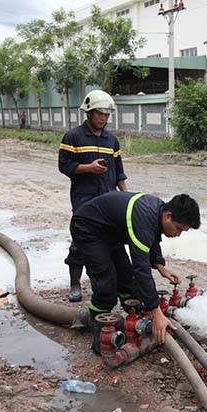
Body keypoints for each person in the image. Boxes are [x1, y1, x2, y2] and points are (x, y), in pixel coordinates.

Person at [70, 192, 200, 348]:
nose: (178, 235)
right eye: (178, 229)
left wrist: (160, 266)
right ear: (168, 216)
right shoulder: (144, 217)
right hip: (87, 228)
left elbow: (152, 238)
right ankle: (101, 337)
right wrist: (156, 311)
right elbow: (141, 268)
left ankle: (134, 322)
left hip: (110, 232)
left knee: (126, 279)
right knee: (106, 282)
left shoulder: (158, 211)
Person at [59, 89, 127, 303]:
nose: (104, 119)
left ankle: (111, 284)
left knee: (112, 241)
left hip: (109, 200)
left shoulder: (111, 140)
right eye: (100, 114)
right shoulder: (73, 137)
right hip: (84, 200)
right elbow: (64, 166)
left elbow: (119, 172)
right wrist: (88, 167)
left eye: (107, 115)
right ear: (88, 113)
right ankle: (75, 283)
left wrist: (127, 198)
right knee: (81, 241)